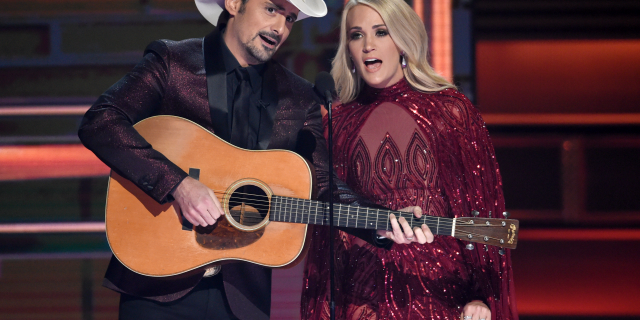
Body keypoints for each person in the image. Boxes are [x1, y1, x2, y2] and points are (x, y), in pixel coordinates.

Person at [78, 0, 432, 318]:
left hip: (241, 296)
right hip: (158, 283)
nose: (280, 28)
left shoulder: (299, 97)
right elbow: (102, 122)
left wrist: (378, 221)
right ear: (234, 4)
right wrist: (178, 184)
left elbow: (320, 185)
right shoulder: (173, 63)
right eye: (272, 9)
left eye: (290, 18)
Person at [301, 0, 519, 319]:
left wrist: (482, 297)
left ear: (403, 39)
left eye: (381, 32)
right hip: (359, 297)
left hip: (436, 294)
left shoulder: (450, 111)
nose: (368, 45)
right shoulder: (336, 122)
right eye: (356, 35)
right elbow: (329, 222)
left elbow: (481, 210)